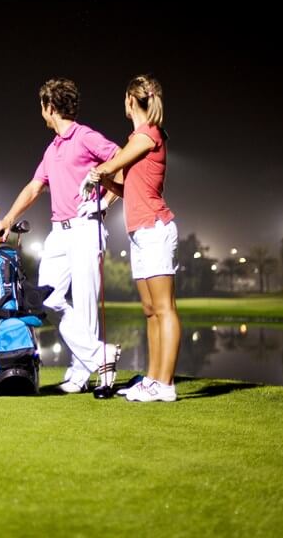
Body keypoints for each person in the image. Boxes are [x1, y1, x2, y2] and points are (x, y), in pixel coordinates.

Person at [0, 78, 122, 393]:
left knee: (86, 305)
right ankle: (100, 355)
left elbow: (122, 166)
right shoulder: (53, 148)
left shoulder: (85, 136)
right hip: (59, 233)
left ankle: (81, 376)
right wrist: (8, 218)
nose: (41, 113)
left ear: (50, 106)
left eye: (42, 107)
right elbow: (35, 186)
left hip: (86, 229)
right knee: (44, 299)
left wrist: (103, 203)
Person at [86, 74, 179, 402]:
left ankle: (165, 384)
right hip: (139, 233)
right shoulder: (137, 140)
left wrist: (100, 171)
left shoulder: (147, 135)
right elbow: (125, 186)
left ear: (130, 100)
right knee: (150, 309)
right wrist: (104, 187)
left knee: (165, 308)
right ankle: (153, 378)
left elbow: (113, 165)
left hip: (156, 229)